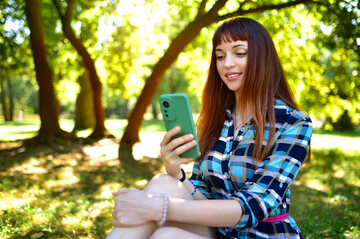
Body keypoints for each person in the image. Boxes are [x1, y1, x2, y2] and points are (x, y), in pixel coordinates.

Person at [106, 17, 313, 239]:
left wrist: (157, 208)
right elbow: (203, 192)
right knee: (163, 181)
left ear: (263, 58)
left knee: (167, 235)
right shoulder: (216, 119)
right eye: (220, 56)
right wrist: (176, 173)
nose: (227, 64)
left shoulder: (294, 123)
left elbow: (252, 207)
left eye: (239, 53)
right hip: (219, 230)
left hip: (263, 233)